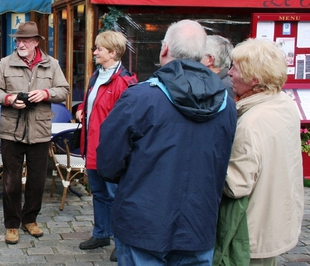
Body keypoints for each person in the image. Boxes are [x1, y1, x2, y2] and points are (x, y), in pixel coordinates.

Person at [96, 20, 237, 265]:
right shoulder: (227, 103)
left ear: (164, 49)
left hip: (144, 224)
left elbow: (108, 163)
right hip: (197, 224)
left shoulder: (140, 97)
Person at [0, 21, 69, 245]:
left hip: (40, 130)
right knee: (11, 182)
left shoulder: (51, 64)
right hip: (12, 130)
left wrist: (45, 93)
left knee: (37, 181)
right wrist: (9, 99)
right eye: (18, 40)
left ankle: (30, 219)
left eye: (25, 40)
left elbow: (64, 90)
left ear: (36, 42)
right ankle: (12, 224)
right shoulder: (5, 63)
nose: (20, 43)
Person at [222, 38, 303, 265]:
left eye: (235, 68)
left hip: (251, 230)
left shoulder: (251, 122)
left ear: (253, 78)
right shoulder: (284, 104)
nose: (229, 73)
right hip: (277, 220)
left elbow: (235, 185)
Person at [75, 31, 137, 259]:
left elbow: (127, 121)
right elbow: (93, 102)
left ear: (113, 52)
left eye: (99, 49)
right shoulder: (97, 75)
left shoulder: (124, 82)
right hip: (93, 147)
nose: (95, 52)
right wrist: (82, 109)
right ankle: (101, 233)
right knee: (99, 193)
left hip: (111, 150)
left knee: (116, 196)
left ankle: (121, 243)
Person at [202, 34, 235, 99]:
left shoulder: (224, 88)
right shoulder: (218, 83)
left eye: (199, 55)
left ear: (209, 59)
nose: (194, 59)